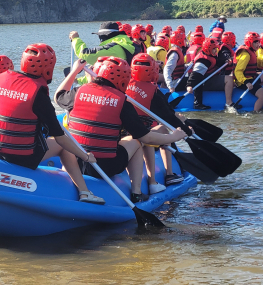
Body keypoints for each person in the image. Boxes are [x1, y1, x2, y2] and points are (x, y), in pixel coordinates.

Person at [0, 44, 105, 204]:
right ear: (48, 67)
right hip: (19, 156)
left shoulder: (0, 78)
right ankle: (85, 192)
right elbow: (60, 137)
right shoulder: (38, 94)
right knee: (62, 147)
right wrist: (86, 156)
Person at [56, 57, 188, 203]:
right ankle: (136, 192)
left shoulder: (78, 91)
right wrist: (174, 137)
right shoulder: (122, 102)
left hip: (73, 163)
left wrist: (75, 71)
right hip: (103, 167)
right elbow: (146, 138)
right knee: (136, 141)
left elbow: (58, 96)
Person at [125, 53, 190, 188]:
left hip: (123, 136)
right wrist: (185, 128)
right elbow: (168, 117)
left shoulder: (122, 85)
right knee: (163, 129)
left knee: (156, 129)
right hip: (141, 138)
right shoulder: (153, 91)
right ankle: (169, 174)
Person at [186, 37, 233, 110]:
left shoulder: (210, 55)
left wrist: (226, 61)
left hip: (209, 77)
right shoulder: (203, 61)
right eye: (214, 49)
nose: (215, 51)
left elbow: (216, 64)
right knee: (229, 79)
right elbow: (195, 74)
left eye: (216, 49)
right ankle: (229, 103)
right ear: (208, 49)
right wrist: (189, 85)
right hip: (205, 81)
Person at [69, 21, 136, 67]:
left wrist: (75, 39)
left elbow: (84, 53)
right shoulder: (127, 43)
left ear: (104, 36)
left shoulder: (112, 48)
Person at [233, 32, 263, 112]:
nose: (258, 44)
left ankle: (258, 90)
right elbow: (238, 71)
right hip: (243, 81)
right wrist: (246, 82)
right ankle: (255, 112)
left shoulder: (252, 51)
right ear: (249, 43)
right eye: (255, 42)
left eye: (258, 42)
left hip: (250, 77)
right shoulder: (246, 55)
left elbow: (259, 63)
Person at [220, 31, 238, 107]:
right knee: (230, 79)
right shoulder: (225, 49)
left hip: (225, 73)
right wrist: (228, 58)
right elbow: (225, 54)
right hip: (223, 74)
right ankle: (229, 102)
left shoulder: (223, 47)